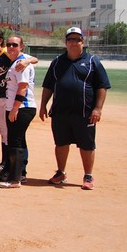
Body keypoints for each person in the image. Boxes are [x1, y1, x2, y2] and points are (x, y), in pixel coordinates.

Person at [39, 27, 110, 190]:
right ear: (65, 42)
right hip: (60, 112)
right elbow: (48, 86)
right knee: (61, 143)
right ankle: (61, 173)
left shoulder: (92, 61)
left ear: (82, 42)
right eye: (70, 39)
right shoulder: (57, 62)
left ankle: (88, 176)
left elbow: (102, 86)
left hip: (85, 113)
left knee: (87, 145)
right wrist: (43, 105)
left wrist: (98, 108)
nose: (73, 42)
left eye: (77, 39)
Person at [0, 35, 36, 189]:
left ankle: (15, 179)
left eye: (14, 45)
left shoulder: (21, 63)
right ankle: (18, 175)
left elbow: (23, 87)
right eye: (9, 45)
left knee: (15, 142)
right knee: (17, 141)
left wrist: (14, 108)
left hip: (21, 107)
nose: (11, 47)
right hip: (17, 107)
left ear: (21, 47)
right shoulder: (18, 61)